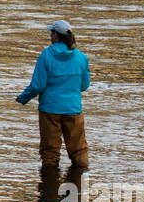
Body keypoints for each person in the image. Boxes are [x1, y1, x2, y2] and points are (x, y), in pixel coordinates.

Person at [15, 19, 91, 168]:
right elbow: (84, 85)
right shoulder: (81, 57)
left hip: (50, 110)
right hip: (73, 109)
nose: (50, 36)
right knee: (79, 149)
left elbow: (38, 85)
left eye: (52, 33)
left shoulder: (46, 55)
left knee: (50, 151)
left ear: (56, 35)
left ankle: (49, 186)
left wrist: (23, 97)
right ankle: (81, 181)